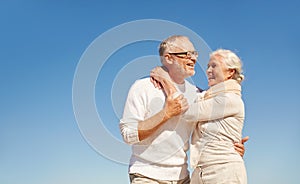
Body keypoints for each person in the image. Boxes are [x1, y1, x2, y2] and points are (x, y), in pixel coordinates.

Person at [119, 35, 247, 184]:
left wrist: (233, 148)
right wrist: (165, 114)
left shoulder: (199, 94)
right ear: (168, 58)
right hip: (147, 176)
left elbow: (212, 127)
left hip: (183, 178)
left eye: (194, 54)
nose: (193, 59)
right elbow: (129, 135)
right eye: (187, 54)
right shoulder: (143, 87)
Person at [150, 49, 247, 183]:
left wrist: (165, 80)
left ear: (230, 72)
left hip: (223, 172)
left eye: (214, 66)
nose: (208, 70)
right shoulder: (207, 97)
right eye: (208, 66)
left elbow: (185, 110)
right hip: (200, 173)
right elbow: (191, 93)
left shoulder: (229, 99)